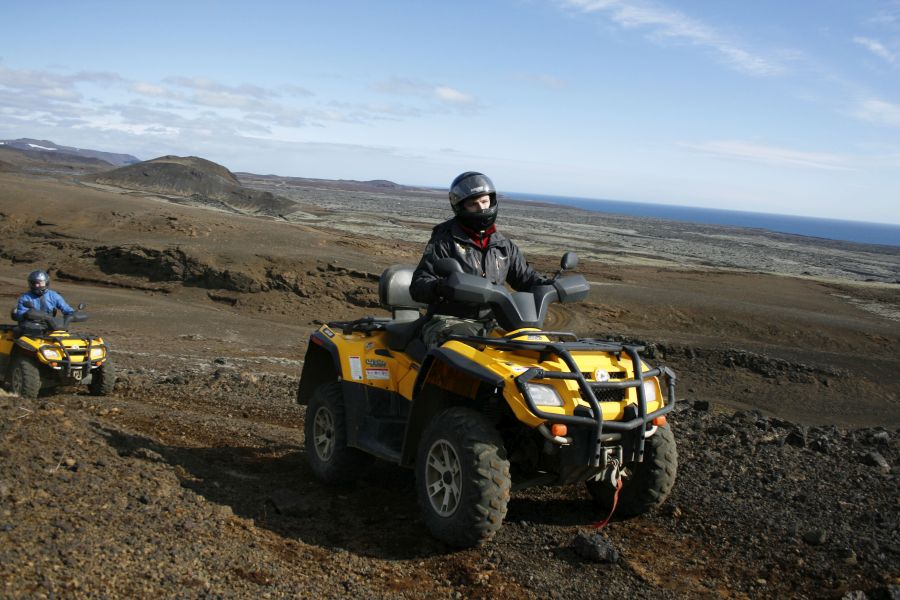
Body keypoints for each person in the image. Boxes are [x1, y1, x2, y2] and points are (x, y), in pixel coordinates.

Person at [410, 171, 551, 348]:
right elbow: (418, 286)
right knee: (461, 353)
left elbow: (527, 279)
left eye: (484, 201)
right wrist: (442, 287)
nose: (482, 208)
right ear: (460, 207)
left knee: (533, 350)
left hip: (495, 320)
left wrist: (549, 285)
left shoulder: (503, 245)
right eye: (473, 204)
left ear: (492, 201)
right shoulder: (444, 240)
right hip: (450, 321)